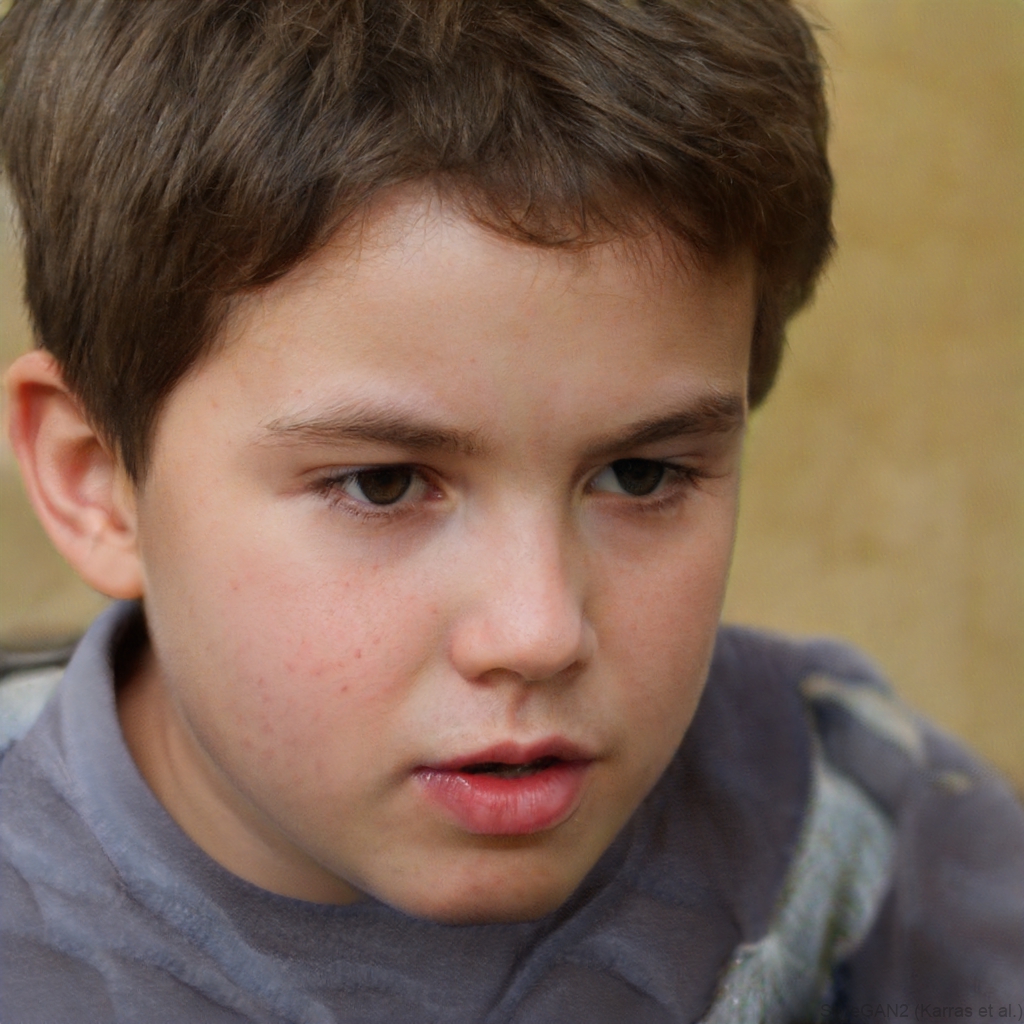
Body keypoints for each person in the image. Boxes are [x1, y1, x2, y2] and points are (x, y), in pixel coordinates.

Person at [0, 0, 1020, 1020]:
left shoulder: (852, 830)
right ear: (95, 481)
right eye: (383, 484)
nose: (539, 632)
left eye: (640, 474)